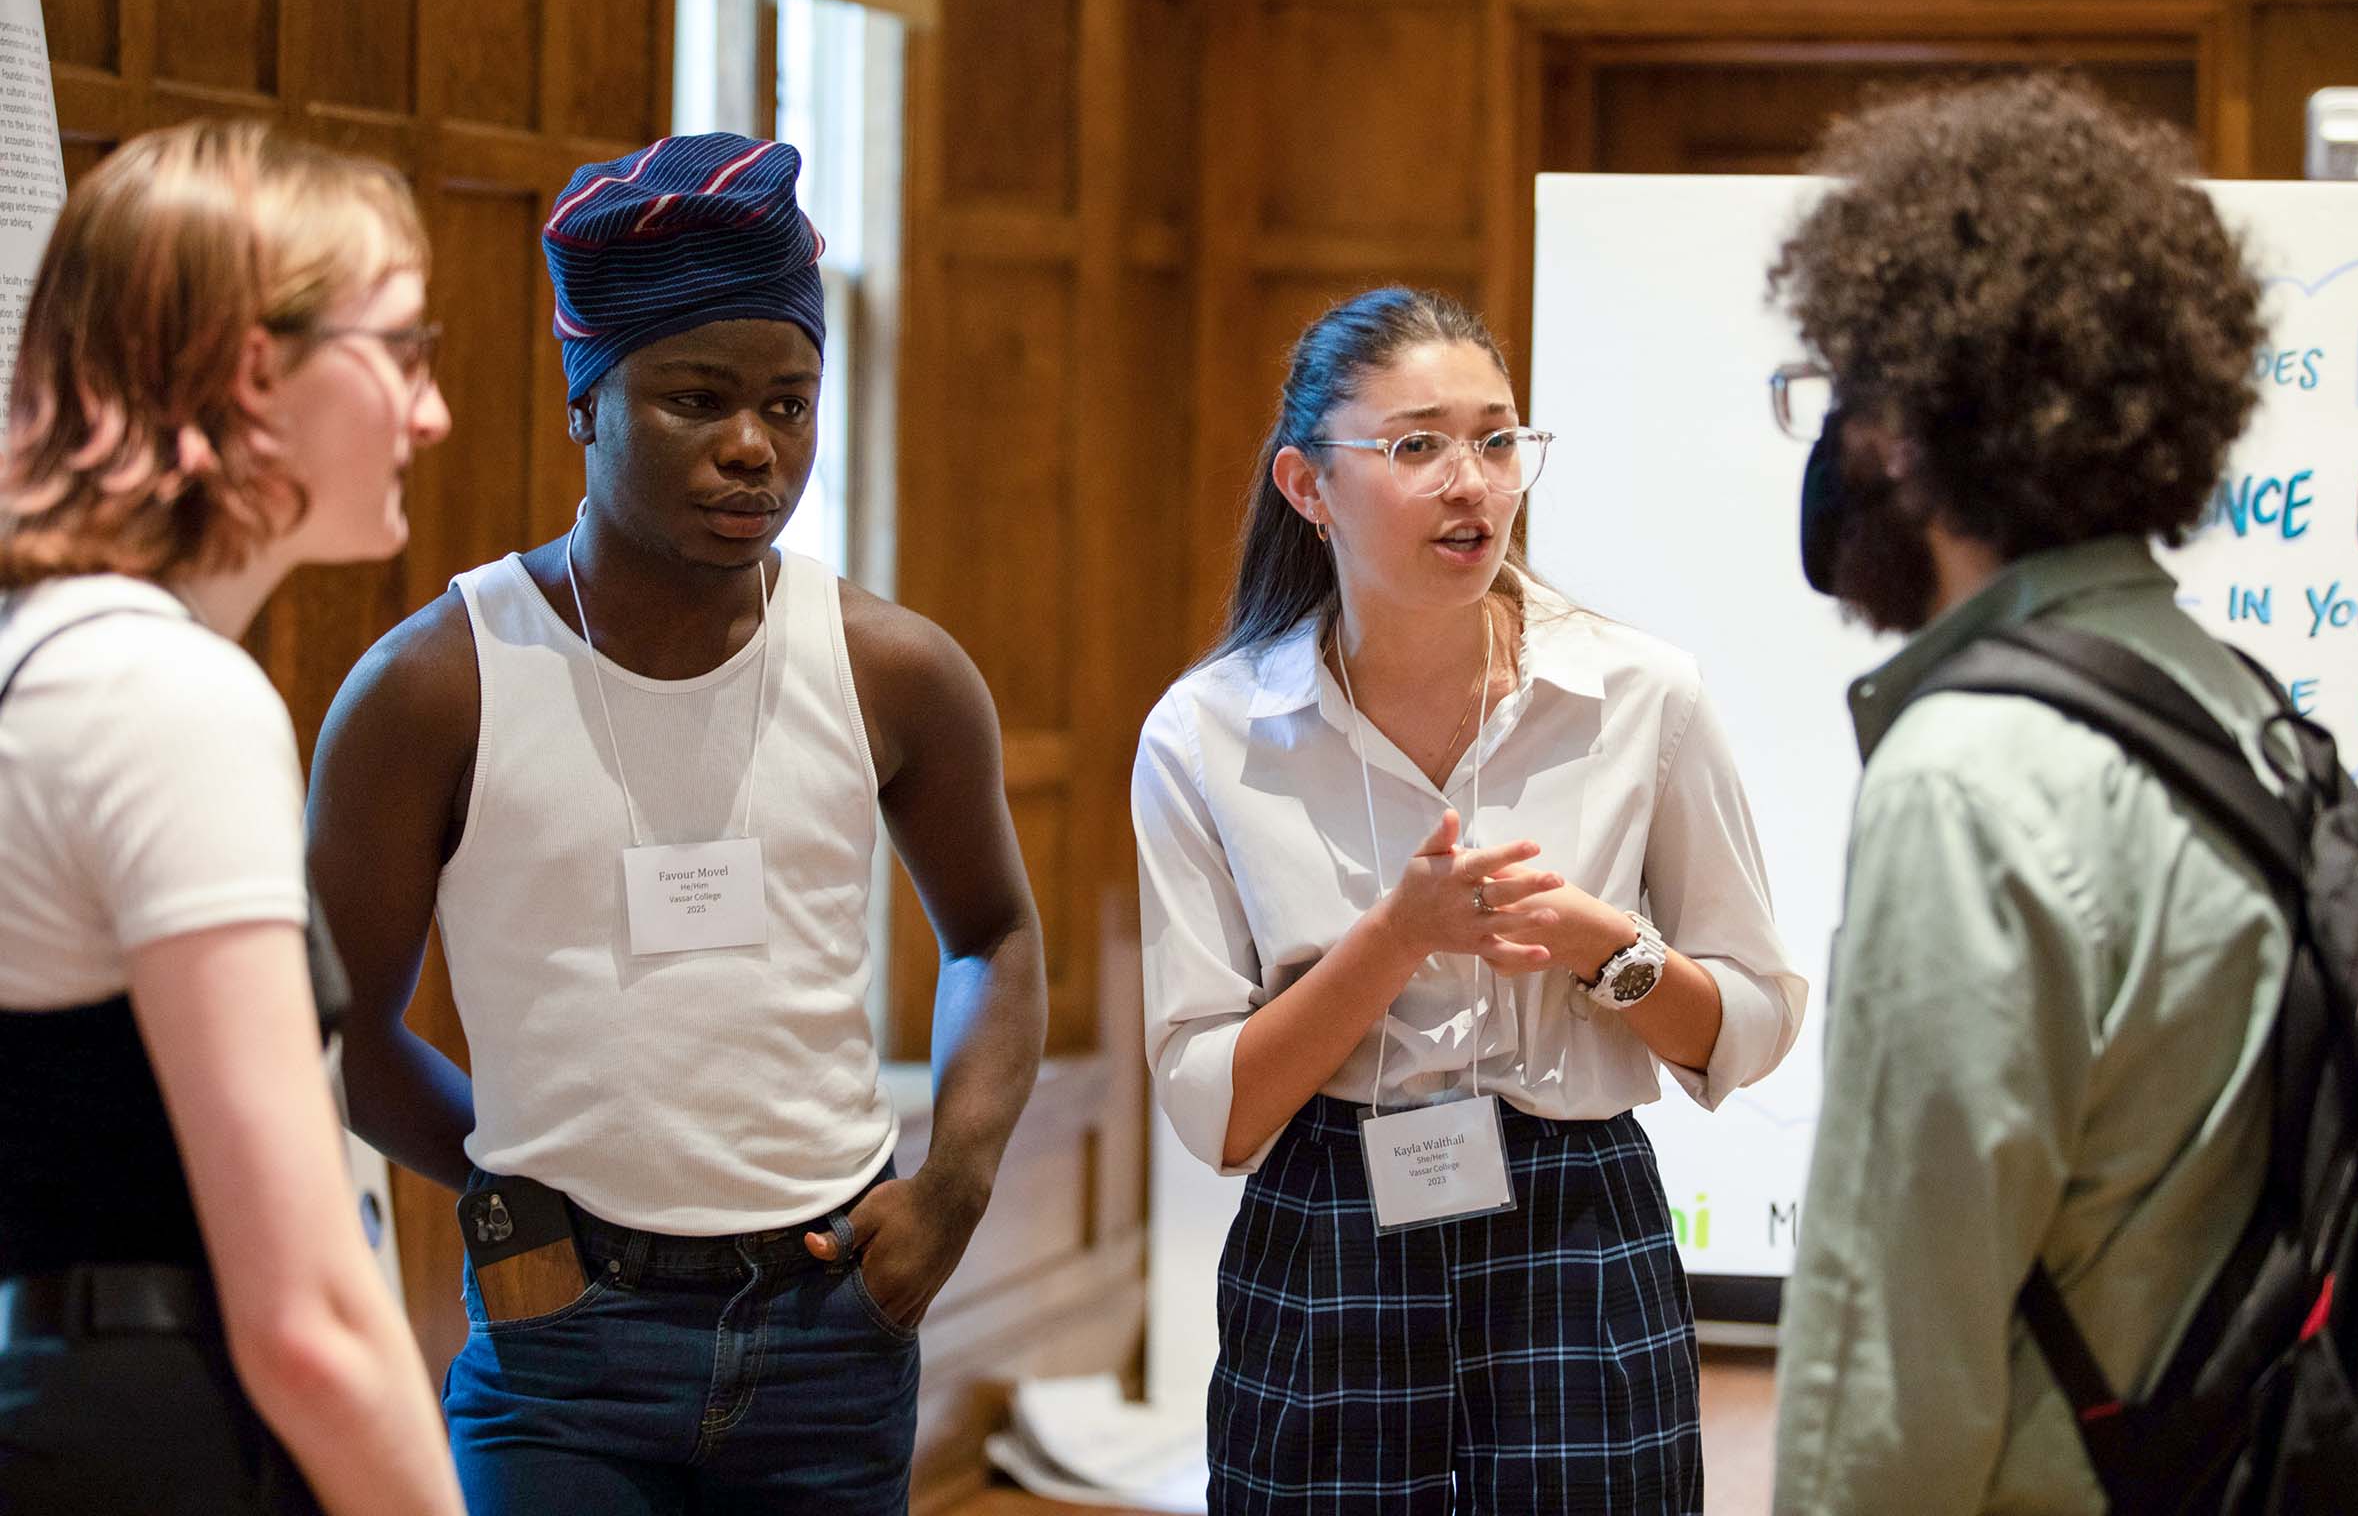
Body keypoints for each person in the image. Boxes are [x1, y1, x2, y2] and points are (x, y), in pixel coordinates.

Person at [308, 131, 1046, 1516]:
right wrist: (506, 1184)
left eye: (791, 401)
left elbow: (994, 934)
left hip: (834, 1314)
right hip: (561, 1339)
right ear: (587, 402)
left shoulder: (893, 668)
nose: (754, 448)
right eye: (695, 400)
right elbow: (335, 1022)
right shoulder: (436, 685)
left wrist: (953, 1182)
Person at [1133, 285, 1807, 1514]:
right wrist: (1396, 940)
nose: (1474, 482)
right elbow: (1210, 1108)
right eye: (1417, 445)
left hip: (1576, 1214)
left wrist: (1610, 949)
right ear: (1306, 486)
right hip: (1331, 1213)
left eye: (1499, 441)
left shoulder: (1641, 695)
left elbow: (1754, 1021)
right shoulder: (1208, 733)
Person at [1767, 76, 2290, 1514]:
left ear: (1904, 428)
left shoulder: (1971, 776)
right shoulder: (2242, 708)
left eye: (1839, 393)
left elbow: (1889, 1363)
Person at [0, 120, 463, 1515]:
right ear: (259, 370)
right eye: (402, 350)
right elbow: (309, 1327)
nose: (430, 414)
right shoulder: (163, 696)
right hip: (158, 1447)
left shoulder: (47, 649)